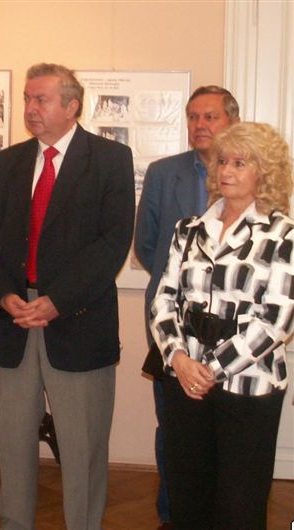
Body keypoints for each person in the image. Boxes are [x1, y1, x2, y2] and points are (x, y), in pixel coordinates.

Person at [0, 63, 135, 530]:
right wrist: (4, 296)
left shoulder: (110, 159)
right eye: (27, 98)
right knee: (15, 442)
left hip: (77, 320)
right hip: (16, 320)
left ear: (71, 106)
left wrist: (57, 301)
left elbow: (112, 244)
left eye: (40, 99)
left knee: (82, 446)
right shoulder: (8, 162)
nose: (30, 108)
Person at [150, 122, 293, 530]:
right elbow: (164, 301)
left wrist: (210, 370)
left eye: (240, 163)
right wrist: (178, 359)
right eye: (223, 162)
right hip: (185, 382)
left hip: (248, 387)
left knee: (239, 506)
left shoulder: (282, 235)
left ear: (264, 172)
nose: (226, 171)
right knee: (188, 498)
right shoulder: (188, 230)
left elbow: (275, 322)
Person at [133, 85, 240, 529]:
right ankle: (172, 514)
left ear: (232, 121)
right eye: (193, 116)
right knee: (174, 427)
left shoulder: (249, 174)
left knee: (226, 434)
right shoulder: (164, 173)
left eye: (210, 116)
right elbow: (147, 245)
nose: (200, 124)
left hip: (233, 334)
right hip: (172, 327)